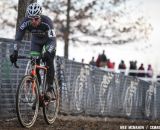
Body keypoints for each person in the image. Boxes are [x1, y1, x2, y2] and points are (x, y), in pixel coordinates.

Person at [10, 3, 56, 100]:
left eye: (36, 18)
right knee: (35, 66)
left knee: (49, 59)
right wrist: (15, 51)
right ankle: (38, 94)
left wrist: (48, 52)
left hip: (48, 42)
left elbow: (53, 40)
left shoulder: (47, 22)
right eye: (31, 18)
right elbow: (18, 38)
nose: (33, 21)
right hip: (36, 42)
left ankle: (50, 89)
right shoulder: (25, 22)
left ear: (40, 17)